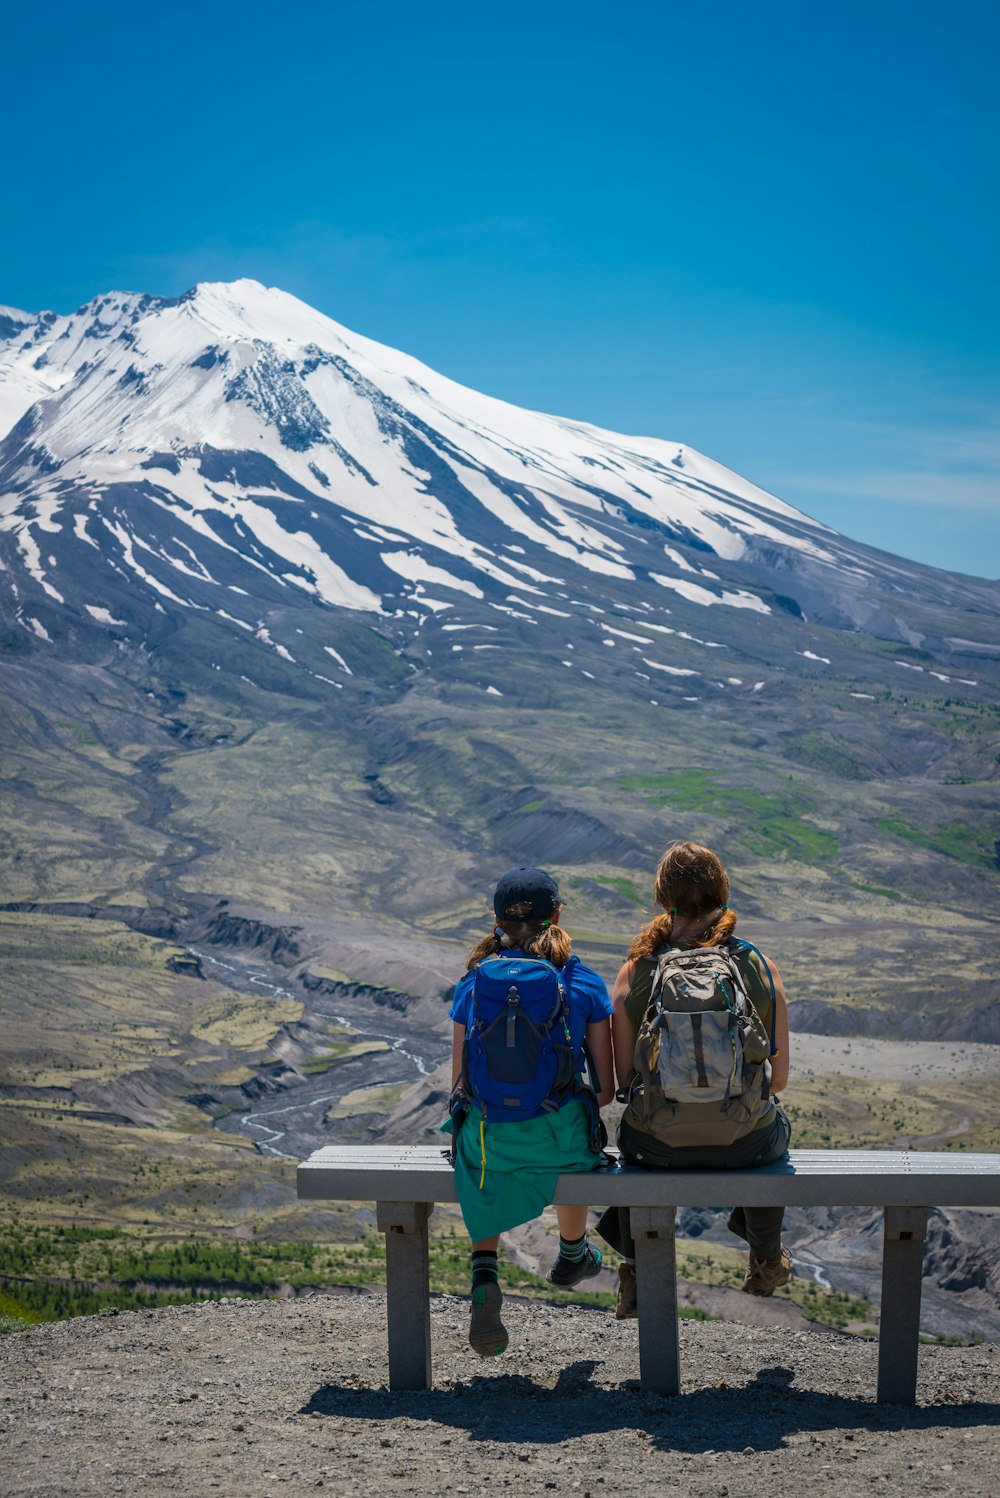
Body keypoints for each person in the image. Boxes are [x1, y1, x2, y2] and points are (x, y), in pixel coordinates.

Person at [596, 841, 792, 1318]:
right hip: (745, 1144)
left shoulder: (635, 971)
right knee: (770, 1128)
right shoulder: (758, 967)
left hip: (656, 1148)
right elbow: (779, 1080)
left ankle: (640, 1268)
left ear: (664, 898)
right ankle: (765, 1257)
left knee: (633, 1145)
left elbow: (624, 1082)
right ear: (721, 891)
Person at [448, 865, 614, 1357]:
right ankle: (571, 1253)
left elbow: (461, 1084)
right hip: (559, 1140)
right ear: (557, 914)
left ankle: (484, 1273)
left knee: (474, 1146)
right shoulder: (582, 981)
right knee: (575, 1125)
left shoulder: (475, 983)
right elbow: (604, 1089)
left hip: (488, 1143)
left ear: (496, 920)